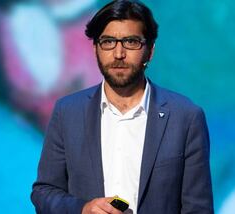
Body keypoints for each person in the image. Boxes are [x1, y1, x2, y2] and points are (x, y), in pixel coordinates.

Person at [31, 0, 214, 213]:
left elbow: (198, 208)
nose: (118, 54)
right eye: (108, 42)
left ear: (150, 51)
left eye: (131, 42)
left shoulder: (185, 117)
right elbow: (44, 192)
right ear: (95, 49)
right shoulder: (68, 112)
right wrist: (82, 209)